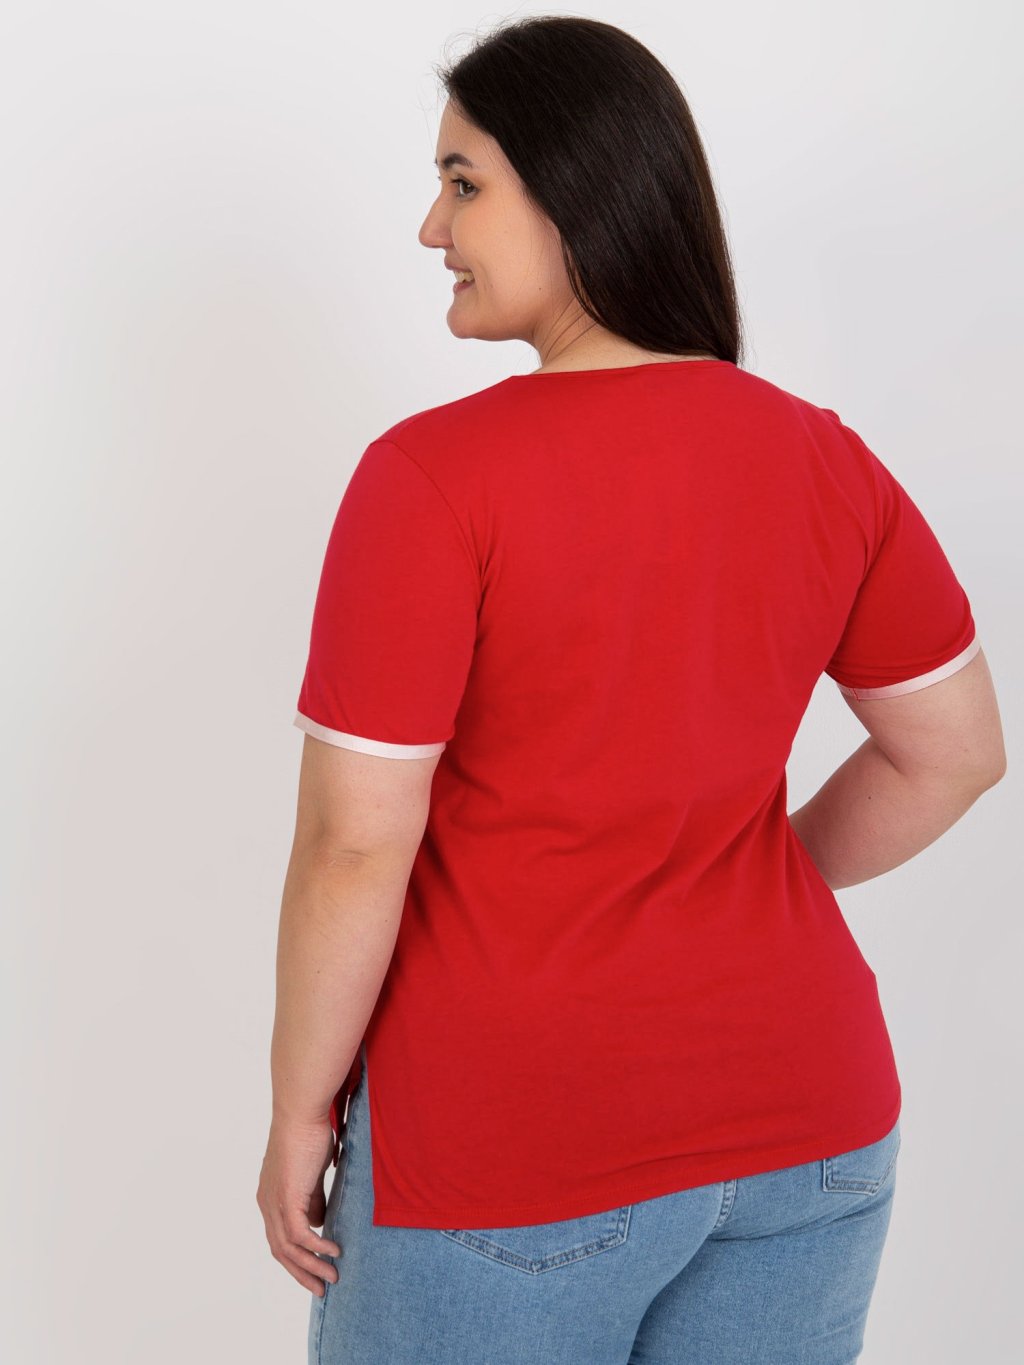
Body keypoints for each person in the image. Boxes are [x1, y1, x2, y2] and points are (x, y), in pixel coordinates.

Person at [255, 16, 1007, 1364]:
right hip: (811, 1133)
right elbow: (952, 752)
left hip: (511, 1149)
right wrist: (743, 885)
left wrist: (301, 1109)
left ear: (577, 189)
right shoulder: (823, 459)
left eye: (465, 183)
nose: (433, 227)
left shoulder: (432, 480)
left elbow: (353, 844)